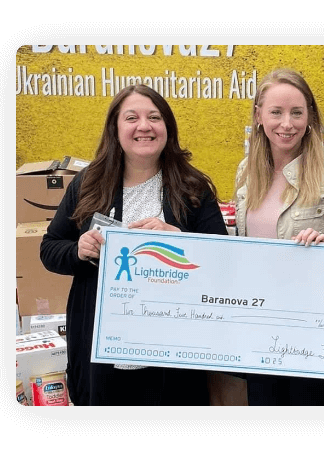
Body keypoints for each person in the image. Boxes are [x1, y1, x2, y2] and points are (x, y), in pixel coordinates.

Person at [40, 84, 228, 405]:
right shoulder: (88, 183)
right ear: (115, 129)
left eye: (154, 117)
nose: (144, 126)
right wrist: (79, 250)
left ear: (167, 127)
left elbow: (223, 262)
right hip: (102, 351)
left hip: (172, 351)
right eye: (131, 118)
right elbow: (50, 248)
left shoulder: (192, 188)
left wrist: (180, 242)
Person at [234, 69, 324, 405]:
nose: (286, 123)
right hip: (259, 325)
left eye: (296, 112)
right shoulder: (246, 171)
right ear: (259, 115)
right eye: (276, 112)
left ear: (310, 116)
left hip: (315, 331)